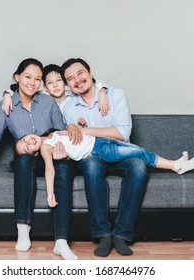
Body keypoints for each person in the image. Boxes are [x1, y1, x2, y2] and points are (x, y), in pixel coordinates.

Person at [0, 58, 80, 260]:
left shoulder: (47, 101)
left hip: (52, 156)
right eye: (28, 77)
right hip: (28, 159)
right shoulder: (7, 104)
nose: (32, 83)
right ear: (17, 77)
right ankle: (23, 229)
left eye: (37, 79)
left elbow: (61, 131)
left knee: (63, 167)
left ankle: (61, 241)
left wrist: (50, 143)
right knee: (24, 160)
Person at [59, 57, 148, 257]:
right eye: (70, 78)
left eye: (80, 73)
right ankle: (103, 234)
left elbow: (122, 133)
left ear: (90, 73)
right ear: (68, 85)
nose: (77, 80)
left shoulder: (116, 95)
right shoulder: (69, 107)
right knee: (91, 166)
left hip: (120, 152)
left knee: (140, 167)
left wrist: (87, 130)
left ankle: (122, 234)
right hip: (92, 155)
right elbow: (76, 140)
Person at [14, 128, 194, 208]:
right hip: (100, 150)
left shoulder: (51, 134)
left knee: (139, 149)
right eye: (27, 148)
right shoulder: (47, 148)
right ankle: (176, 166)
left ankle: (175, 161)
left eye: (24, 140)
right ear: (34, 154)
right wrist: (50, 192)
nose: (28, 142)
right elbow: (49, 170)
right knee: (141, 155)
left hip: (100, 139)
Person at [1, 63, 110, 116]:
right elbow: (18, 89)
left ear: (66, 83)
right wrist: (7, 95)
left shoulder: (73, 94)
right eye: (50, 83)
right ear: (45, 88)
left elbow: (94, 82)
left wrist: (102, 93)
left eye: (58, 80)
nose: (55, 85)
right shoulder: (42, 96)